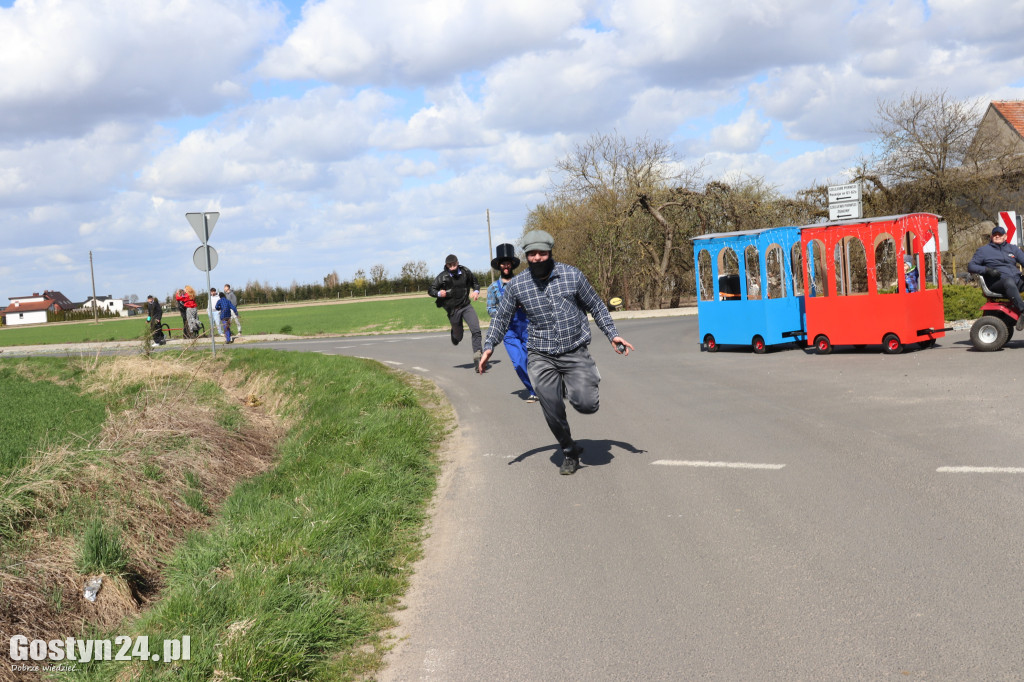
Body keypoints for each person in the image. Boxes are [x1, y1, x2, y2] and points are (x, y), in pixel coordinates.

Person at [478, 230, 634, 475]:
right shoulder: (518, 285)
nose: (537, 257)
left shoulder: (572, 275)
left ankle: (578, 380)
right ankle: (569, 451)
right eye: (532, 254)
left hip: (574, 350)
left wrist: (612, 334)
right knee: (551, 406)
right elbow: (501, 318)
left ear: (550, 252)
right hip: (541, 353)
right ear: (526, 256)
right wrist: (489, 346)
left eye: (541, 253)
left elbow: (595, 305)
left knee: (587, 405)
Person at [486, 243, 536, 402]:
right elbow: (490, 309)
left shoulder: (522, 282)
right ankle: (533, 390)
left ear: (512, 264)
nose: (506, 266)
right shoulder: (493, 288)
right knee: (519, 363)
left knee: (534, 360)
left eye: (508, 263)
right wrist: (505, 311)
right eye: (503, 263)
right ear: (499, 266)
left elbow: (533, 302)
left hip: (527, 327)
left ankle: (545, 387)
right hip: (509, 331)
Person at [428, 254, 483, 367]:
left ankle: (478, 357)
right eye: (450, 265)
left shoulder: (465, 272)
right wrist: (439, 293)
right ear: (446, 265)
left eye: (454, 264)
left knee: (476, 330)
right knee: (459, 337)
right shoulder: (442, 277)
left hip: (466, 306)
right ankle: (454, 333)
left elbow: (475, 283)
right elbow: (431, 289)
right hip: (453, 310)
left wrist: (476, 291)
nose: (452, 267)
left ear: (457, 263)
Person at [967, 224, 1024, 331]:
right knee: (1008, 281)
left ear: (1005, 237)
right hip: (997, 283)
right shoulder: (983, 251)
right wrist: (987, 270)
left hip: (1016, 280)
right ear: (991, 237)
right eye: (995, 235)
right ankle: (1023, 311)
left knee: (1011, 281)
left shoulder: (1013, 249)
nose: (997, 236)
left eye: (1000, 234)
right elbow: (971, 266)